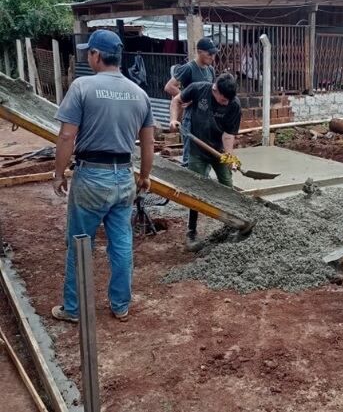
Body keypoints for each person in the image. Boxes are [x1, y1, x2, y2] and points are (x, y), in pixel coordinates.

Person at [51, 29, 155, 323]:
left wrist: (59, 174)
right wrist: (144, 177)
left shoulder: (82, 87)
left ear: (96, 55)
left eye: (89, 52)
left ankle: (73, 308)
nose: (88, 56)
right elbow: (148, 143)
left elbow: (67, 136)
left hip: (91, 177)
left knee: (80, 242)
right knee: (121, 243)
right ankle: (120, 305)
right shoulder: (140, 94)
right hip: (123, 177)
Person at [170, 73, 242, 250]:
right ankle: (191, 232)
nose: (226, 103)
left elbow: (228, 135)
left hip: (218, 151)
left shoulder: (234, 105)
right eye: (223, 100)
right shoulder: (198, 89)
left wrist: (229, 157)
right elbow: (176, 100)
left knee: (227, 185)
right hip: (198, 149)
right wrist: (174, 119)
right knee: (196, 189)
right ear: (215, 90)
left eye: (228, 101)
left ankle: (231, 225)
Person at [164, 37, 218, 167]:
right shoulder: (188, 68)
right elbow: (169, 86)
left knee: (203, 152)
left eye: (214, 53)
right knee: (189, 153)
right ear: (199, 52)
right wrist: (184, 97)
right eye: (209, 53)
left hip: (205, 117)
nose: (212, 57)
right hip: (191, 116)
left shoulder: (210, 70)